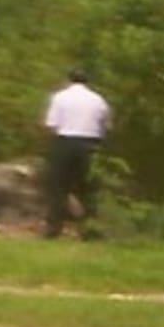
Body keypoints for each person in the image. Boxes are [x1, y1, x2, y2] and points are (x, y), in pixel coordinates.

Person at [42, 68, 111, 239]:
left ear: (68, 80)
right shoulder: (98, 99)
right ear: (87, 81)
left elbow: (51, 124)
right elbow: (106, 125)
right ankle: (90, 229)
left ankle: (53, 229)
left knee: (59, 187)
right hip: (90, 144)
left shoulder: (60, 97)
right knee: (88, 189)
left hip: (65, 141)